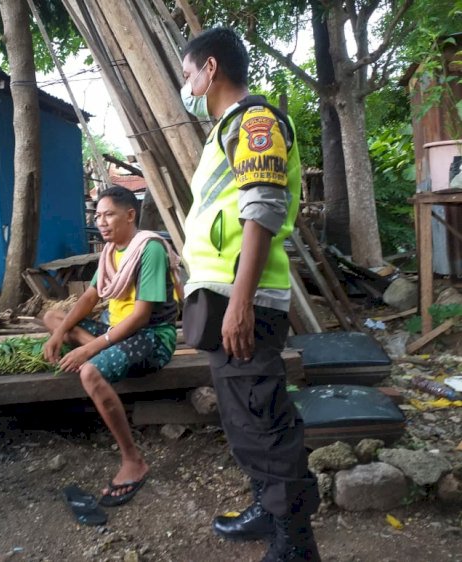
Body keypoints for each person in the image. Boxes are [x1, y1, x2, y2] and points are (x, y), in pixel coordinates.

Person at [179, 28, 321, 561]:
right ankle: (268, 506)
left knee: (263, 419)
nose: (186, 83)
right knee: (244, 418)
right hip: (225, 296)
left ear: (210, 69)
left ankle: (294, 544)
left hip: (246, 301)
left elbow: (261, 209)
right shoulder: (226, 130)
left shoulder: (255, 122)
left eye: (189, 73)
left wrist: (240, 303)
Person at [43, 186, 180, 507]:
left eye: (108, 215)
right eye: (97, 216)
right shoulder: (110, 251)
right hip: (114, 330)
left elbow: (142, 315)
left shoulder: (149, 250)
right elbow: (91, 297)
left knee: (89, 372)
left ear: (130, 215)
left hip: (152, 337)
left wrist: (91, 349)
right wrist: (60, 332)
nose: (100, 222)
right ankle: (91, 344)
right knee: (52, 317)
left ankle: (133, 461)